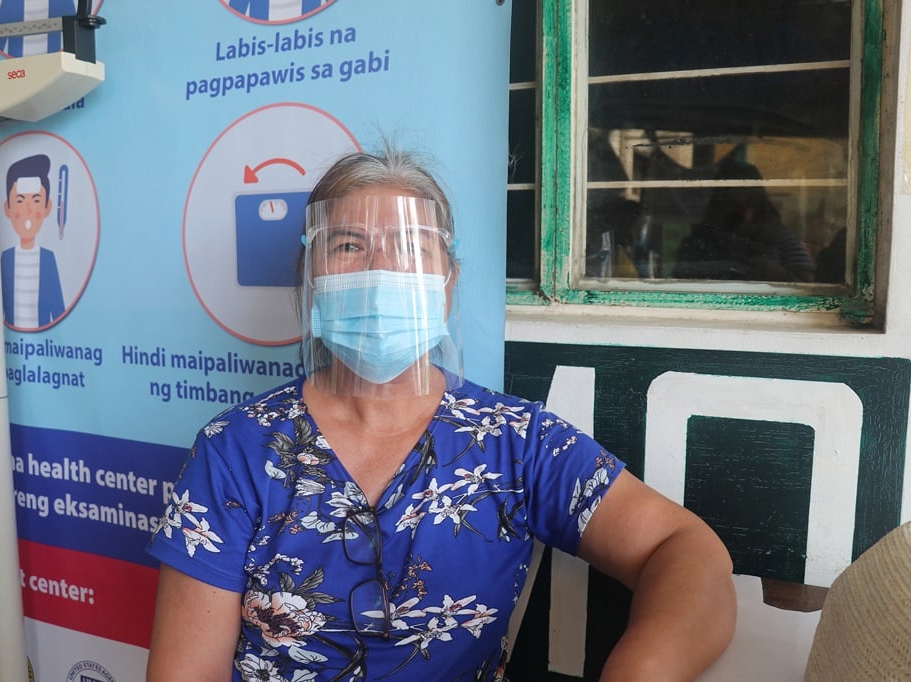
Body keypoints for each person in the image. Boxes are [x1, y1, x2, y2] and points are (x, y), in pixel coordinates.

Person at [146, 149, 735, 681]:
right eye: (348, 245)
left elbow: (685, 549)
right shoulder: (238, 449)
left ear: (448, 281)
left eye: (411, 246)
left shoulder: (513, 442)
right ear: (311, 277)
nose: (381, 270)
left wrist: (642, 670)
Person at [673, 158, 816, 283]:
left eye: (749, 201)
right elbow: (679, 283)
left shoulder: (781, 238)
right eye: (729, 201)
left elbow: (807, 287)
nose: (743, 214)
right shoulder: (698, 243)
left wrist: (779, 273)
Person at [0, 153, 66, 330]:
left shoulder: (48, 259)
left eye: (36, 200)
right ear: (7, 208)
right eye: (20, 201)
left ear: (47, 208)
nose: (28, 210)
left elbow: (59, 312)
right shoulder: (6, 258)